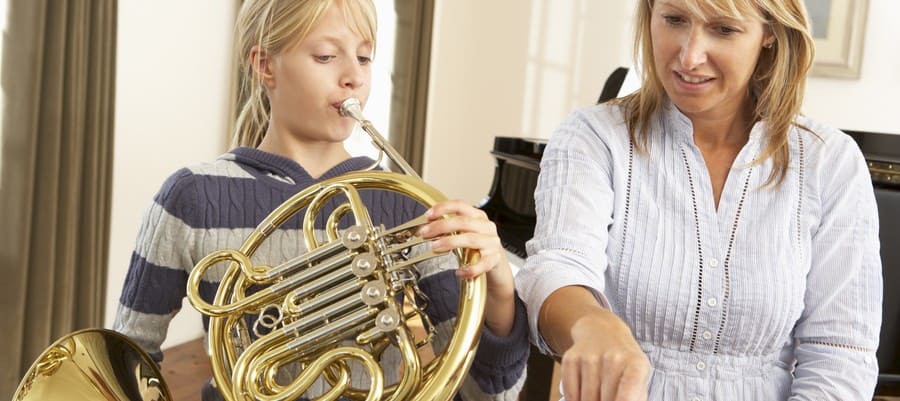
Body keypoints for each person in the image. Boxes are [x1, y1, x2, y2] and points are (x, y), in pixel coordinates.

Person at [112, 1, 528, 400]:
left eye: (364, 58)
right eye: (327, 56)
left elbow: (487, 393)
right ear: (265, 65)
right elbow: (127, 360)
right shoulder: (192, 196)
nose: (353, 77)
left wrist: (500, 292)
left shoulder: (406, 205)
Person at [515, 0, 882, 400]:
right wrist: (591, 323)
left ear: (770, 32)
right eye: (674, 19)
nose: (689, 57)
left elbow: (840, 355)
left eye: (724, 30)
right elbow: (557, 268)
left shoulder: (831, 162)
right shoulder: (593, 137)